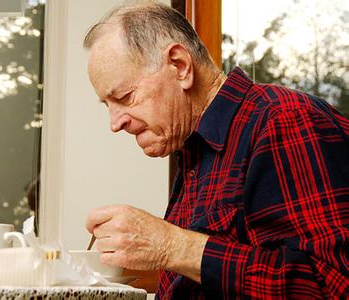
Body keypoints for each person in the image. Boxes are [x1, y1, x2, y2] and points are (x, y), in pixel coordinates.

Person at [83, 2, 349, 299]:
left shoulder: (284, 120)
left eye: (124, 96)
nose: (115, 123)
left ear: (180, 66)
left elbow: (333, 286)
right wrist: (151, 273)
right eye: (108, 105)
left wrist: (171, 246)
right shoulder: (195, 149)